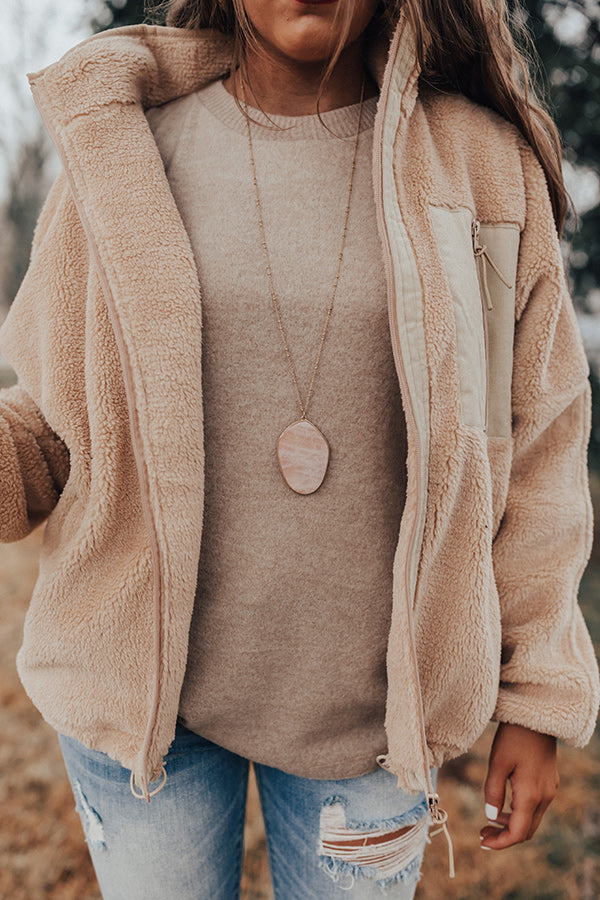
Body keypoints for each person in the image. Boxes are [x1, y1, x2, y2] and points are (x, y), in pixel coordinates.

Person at [0, 0, 598, 896]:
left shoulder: (478, 173)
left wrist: (537, 693)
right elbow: (55, 424)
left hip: (369, 730)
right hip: (137, 713)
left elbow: (526, 443)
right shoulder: (122, 153)